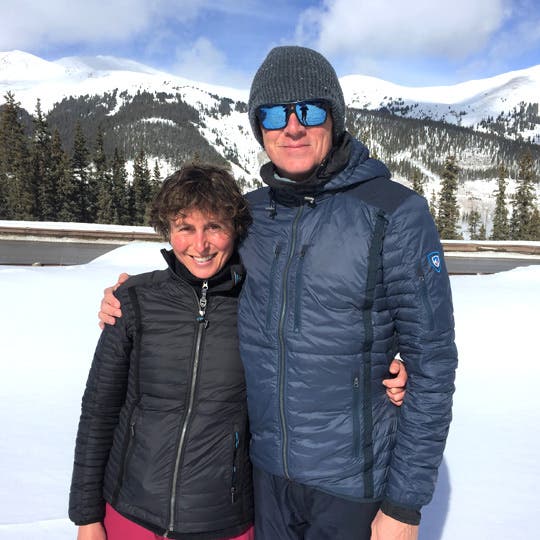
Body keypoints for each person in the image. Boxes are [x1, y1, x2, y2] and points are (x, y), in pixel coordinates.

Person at [100, 45, 456, 540]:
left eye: (308, 110)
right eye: (273, 114)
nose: (292, 127)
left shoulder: (395, 214)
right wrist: (134, 292)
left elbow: (433, 364)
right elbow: (203, 268)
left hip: (353, 486)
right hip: (264, 479)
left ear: (334, 118)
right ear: (259, 128)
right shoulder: (252, 216)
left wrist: (405, 505)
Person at [69, 165, 255, 540]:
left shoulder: (259, 306)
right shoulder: (134, 300)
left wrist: (394, 367)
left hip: (223, 521)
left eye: (214, 226)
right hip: (130, 513)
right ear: (168, 231)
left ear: (234, 229)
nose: (199, 245)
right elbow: (99, 411)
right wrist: (87, 517)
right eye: (185, 227)